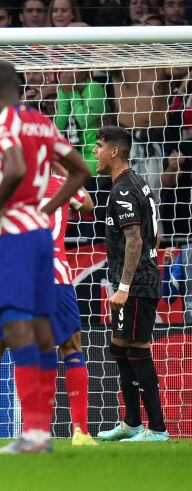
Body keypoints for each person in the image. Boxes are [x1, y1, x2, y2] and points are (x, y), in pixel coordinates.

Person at [0, 60, 90, 454]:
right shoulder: (43, 123)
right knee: (43, 328)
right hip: (44, 237)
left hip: (15, 234)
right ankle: (40, 434)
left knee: (15, 326)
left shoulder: (3, 121)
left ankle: (33, 435)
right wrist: (47, 209)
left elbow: (14, 168)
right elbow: (81, 170)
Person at [0, 170, 96, 447]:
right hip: (55, 273)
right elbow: (88, 206)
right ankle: (80, 432)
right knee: (71, 348)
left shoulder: (2, 182)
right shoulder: (61, 182)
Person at [93, 126, 169, 442]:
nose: (94, 151)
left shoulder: (123, 190)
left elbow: (135, 240)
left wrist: (124, 287)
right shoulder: (136, 184)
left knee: (137, 350)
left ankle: (157, 429)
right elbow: (156, 235)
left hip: (137, 284)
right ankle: (132, 422)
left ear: (114, 151)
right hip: (136, 280)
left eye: (98, 146)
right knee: (119, 348)